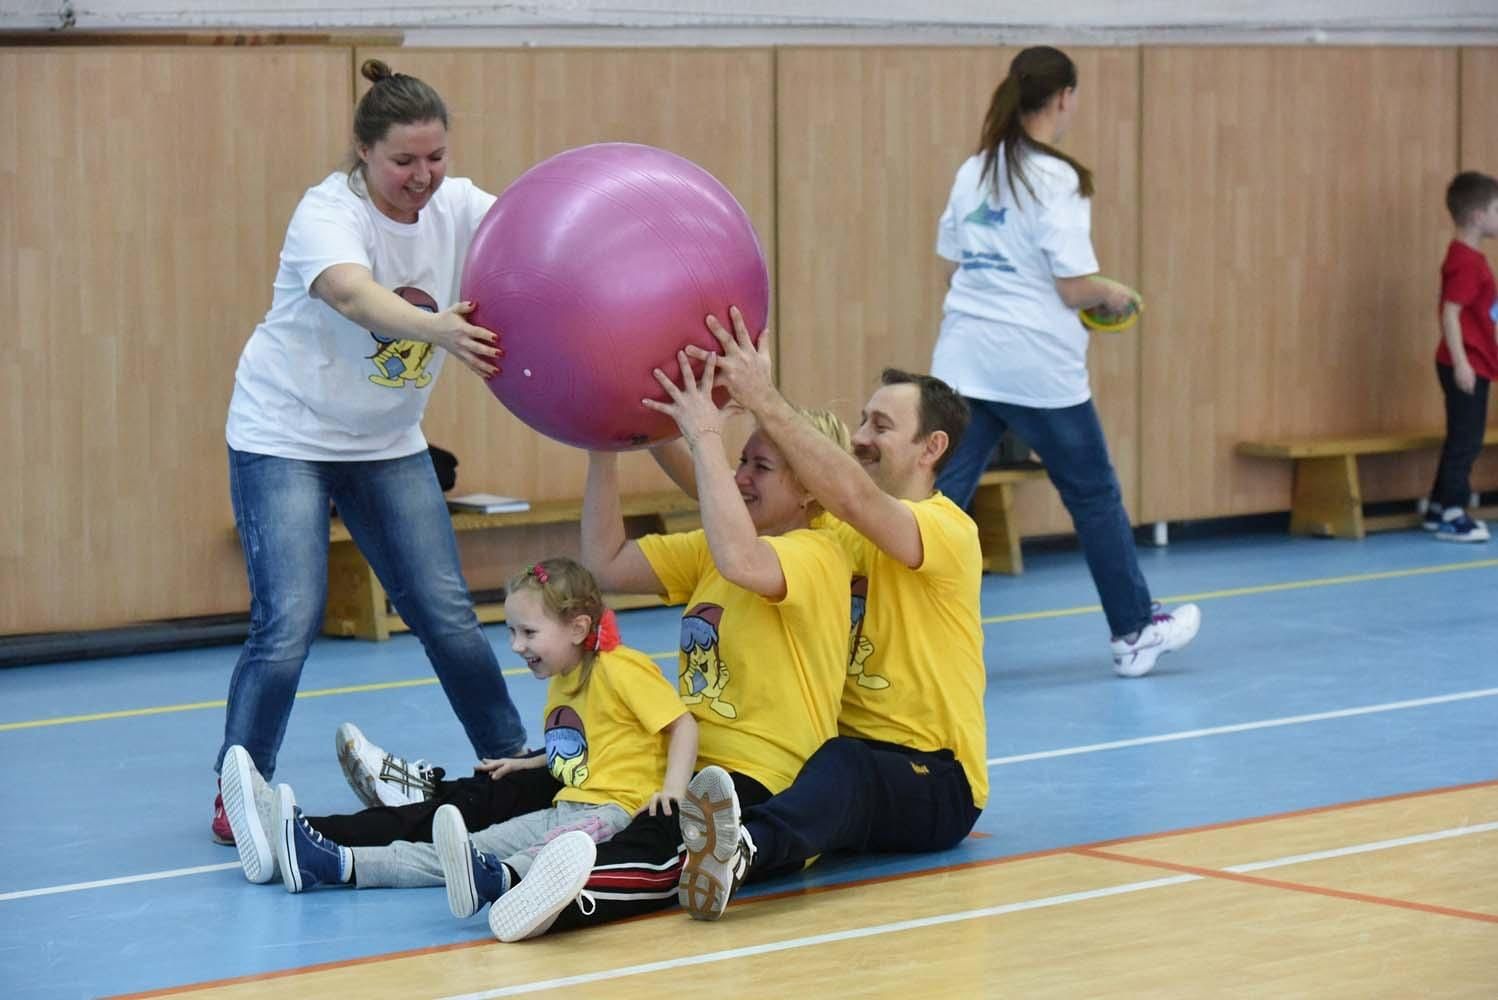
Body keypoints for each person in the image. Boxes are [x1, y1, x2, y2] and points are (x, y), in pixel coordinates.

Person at [285, 358, 856, 941]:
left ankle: (527, 890)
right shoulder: (720, 550)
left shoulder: (817, 555)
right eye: (741, 461)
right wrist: (601, 448)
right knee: (505, 789)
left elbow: (741, 558)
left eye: (761, 467)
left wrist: (704, 433)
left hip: (753, 778)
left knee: (657, 840)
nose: (740, 476)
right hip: (662, 759)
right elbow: (605, 561)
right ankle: (317, 838)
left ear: (811, 489)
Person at [213, 58, 526, 843]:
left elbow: (534, 232)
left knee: (446, 612)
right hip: (284, 433)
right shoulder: (327, 213)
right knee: (288, 621)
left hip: (385, 442)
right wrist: (440, 329)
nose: (423, 177)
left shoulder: (459, 206)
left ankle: (512, 762)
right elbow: (353, 294)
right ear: (363, 151)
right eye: (403, 162)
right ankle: (239, 787)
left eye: (436, 158)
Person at [664, 312, 989, 919]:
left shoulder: (948, 532)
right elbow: (732, 498)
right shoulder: (837, 529)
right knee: (801, 765)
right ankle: (693, 849)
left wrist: (762, 397)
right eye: (862, 419)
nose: (860, 435)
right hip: (834, 768)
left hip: (936, 780)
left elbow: (853, 495)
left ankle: (744, 850)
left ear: (931, 448)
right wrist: (668, 428)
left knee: (846, 767)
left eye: (881, 425)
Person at [219, 558, 698, 928]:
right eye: (511, 631)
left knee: (540, 861)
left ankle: (494, 883)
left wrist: (674, 792)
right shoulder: (565, 678)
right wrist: (528, 764)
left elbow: (682, 726)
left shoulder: (623, 668)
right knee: (458, 849)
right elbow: (593, 745)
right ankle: (330, 863)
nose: (516, 645)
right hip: (568, 804)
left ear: (577, 627)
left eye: (528, 632)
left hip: (611, 813)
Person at [927, 45, 1199, 677]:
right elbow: (1072, 286)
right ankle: (1134, 631)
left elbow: (950, 268)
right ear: (1063, 98)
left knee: (935, 506)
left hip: (964, 358)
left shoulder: (974, 170)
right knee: (1094, 494)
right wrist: (1114, 294)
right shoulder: (1059, 179)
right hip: (1036, 367)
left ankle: (882, 644)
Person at [1423, 171, 1498, 542]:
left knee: (1461, 436)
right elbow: (1450, 312)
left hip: (1474, 359)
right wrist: (1463, 362)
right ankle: (1453, 513)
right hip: (1465, 363)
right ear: (1478, 216)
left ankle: (1438, 506)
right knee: (1466, 441)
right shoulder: (1466, 261)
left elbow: (1479, 309)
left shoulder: (1470, 259)